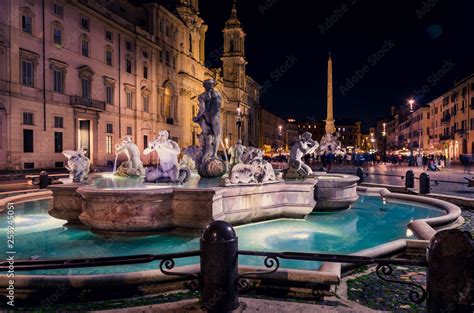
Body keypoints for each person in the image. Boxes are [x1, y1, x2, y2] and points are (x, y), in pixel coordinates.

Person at [193, 79, 222, 160]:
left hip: (207, 117)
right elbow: (218, 107)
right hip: (216, 117)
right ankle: (214, 154)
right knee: (217, 135)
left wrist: (196, 118)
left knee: (208, 136)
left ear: (205, 86)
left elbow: (202, 109)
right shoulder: (219, 94)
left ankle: (206, 154)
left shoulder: (202, 96)